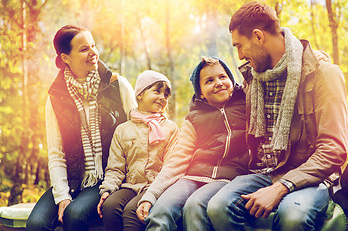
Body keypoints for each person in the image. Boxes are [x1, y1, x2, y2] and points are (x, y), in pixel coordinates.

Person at [207, 1, 348, 231]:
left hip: (311, 176)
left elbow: (334, 148)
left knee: (293, 216)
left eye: (240, 46)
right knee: (218, 206)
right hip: (263, 173)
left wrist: (282, 186)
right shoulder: (254, 78)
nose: (240, 55)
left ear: (258, 36)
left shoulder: (323, 74)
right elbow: (222, 102)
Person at [26, 25, 136, 231]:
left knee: (74, 216)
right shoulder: (55, 98)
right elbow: (56, 154)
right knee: (36, 224)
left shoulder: (117, 85)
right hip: (73, 178)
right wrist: (62, 197)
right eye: (84, 49)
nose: (93, 52)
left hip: (107, 178)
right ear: (66, 58)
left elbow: (139, 133)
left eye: (93, 45)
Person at [136, 57, 249, 230]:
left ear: (232, 81)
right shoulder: (194, 119)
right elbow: (177, 159)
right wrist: (151, 194)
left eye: (222, 77)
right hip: (192, 177)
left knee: (195, 206)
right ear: (200, 92)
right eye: (209, 81)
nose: (218, 83)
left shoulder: (246, 104)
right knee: (160, 211)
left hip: (227, 178)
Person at [97, 70, 179, 231]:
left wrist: (154, 191)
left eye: (166, 95)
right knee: (110, 206)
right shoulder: (123, 130)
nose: (163, 97)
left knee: (131, 211)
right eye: (157, 91)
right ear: (140, 94)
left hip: (156, 186)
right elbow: (115, 168)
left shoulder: (170, 128)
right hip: (131, 186)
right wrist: (107, 190)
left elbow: (172, 166)